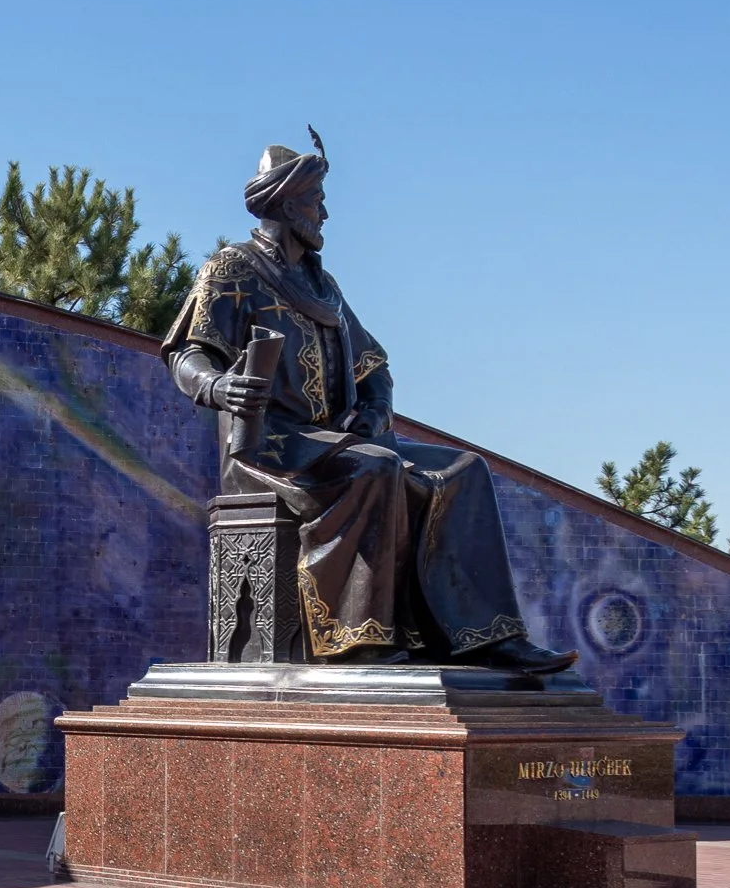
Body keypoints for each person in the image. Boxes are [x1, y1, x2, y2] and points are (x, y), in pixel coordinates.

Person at [161, 136, 575, 672]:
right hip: (273, 448)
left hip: (335, 442)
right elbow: (187, 354)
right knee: (374, 468)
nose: (326, 213)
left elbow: (372, 364)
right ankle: (360, 639)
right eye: (317, 201)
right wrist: (218, 388)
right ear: (288, 205)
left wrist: (375, 411)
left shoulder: (323, 286)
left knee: (464, 469)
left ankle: (485, 637)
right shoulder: (232, 270)